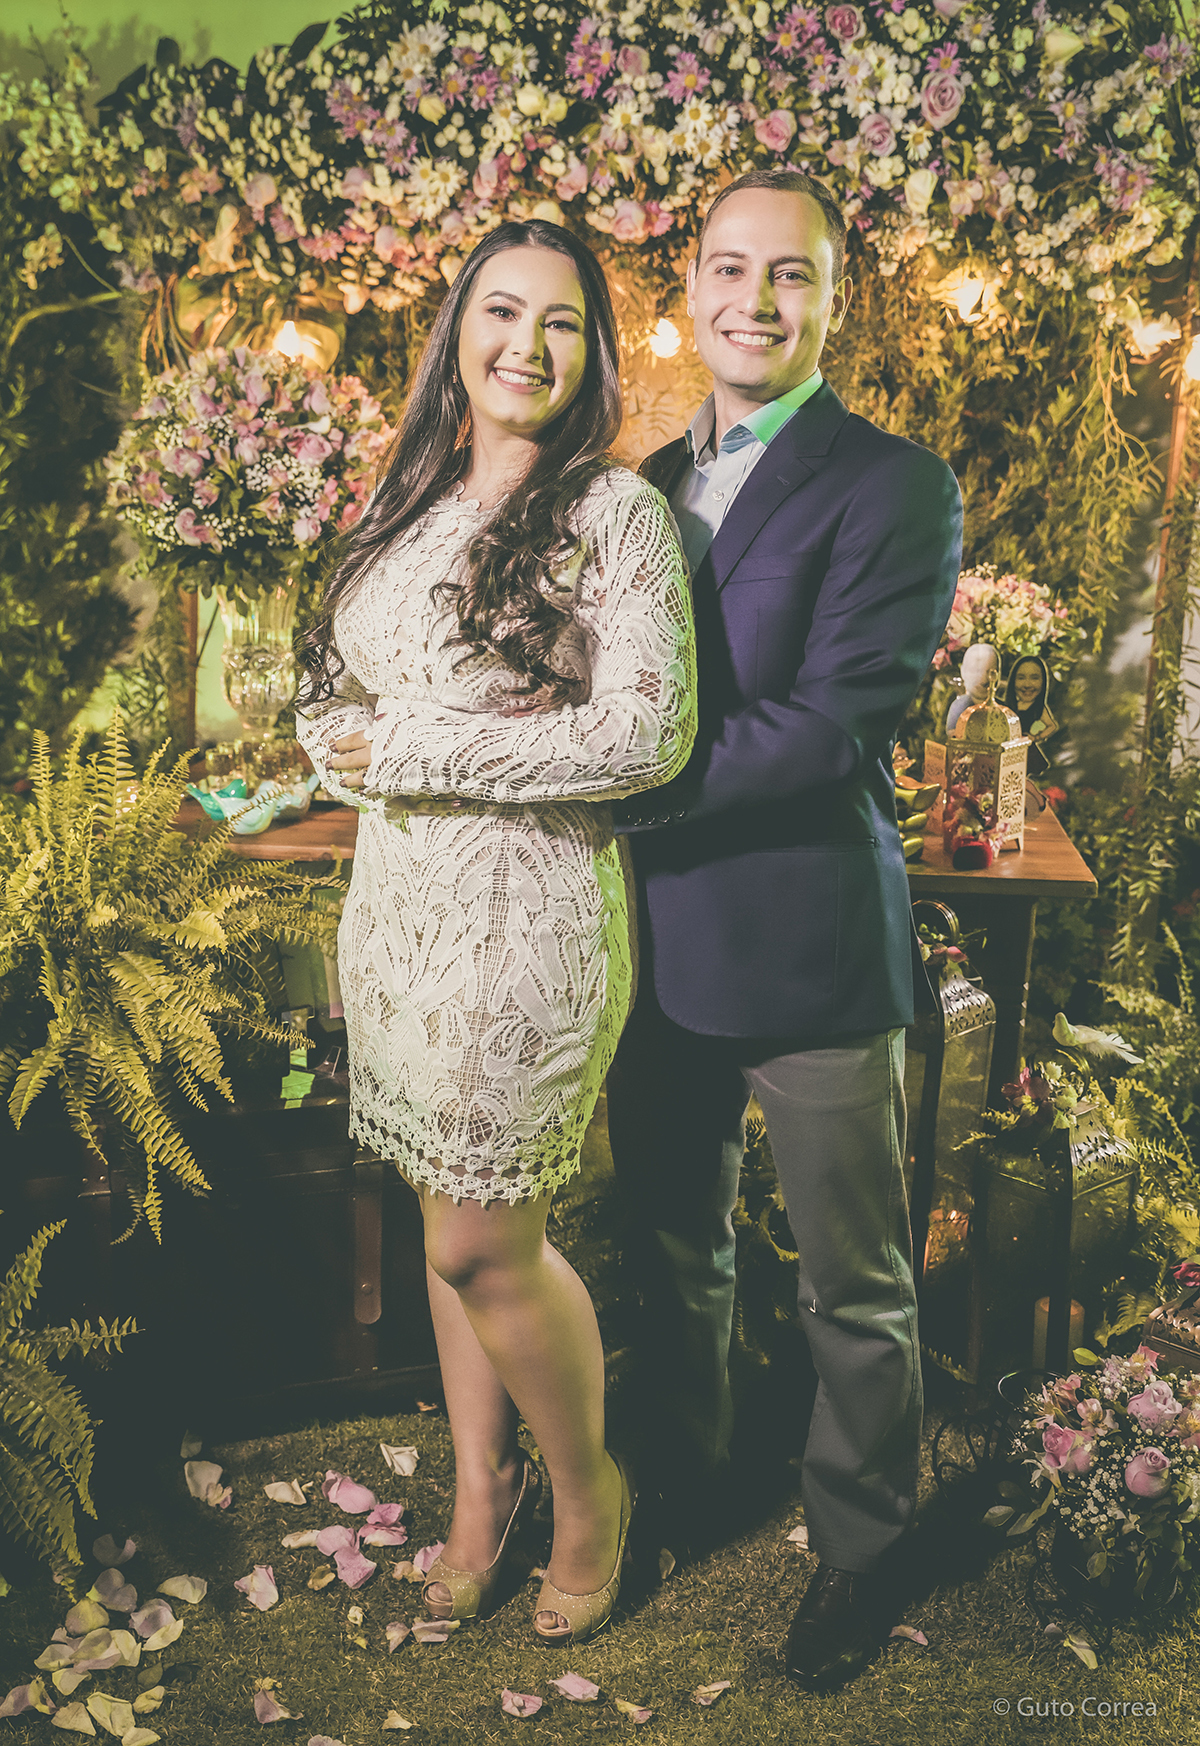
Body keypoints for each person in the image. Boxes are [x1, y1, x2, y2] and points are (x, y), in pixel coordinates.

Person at [294, 220, 697, 1645]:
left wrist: (414, 748)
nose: (527, 344)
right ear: (457, 331)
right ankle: (483, 1492)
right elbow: (338, 687)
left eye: (562, 321)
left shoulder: (614, 515)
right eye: (502, 311)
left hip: (528, 920)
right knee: (439, 1211)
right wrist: (346, 735)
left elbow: (645, 736)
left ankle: (590, 1494)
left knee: (482, 1241)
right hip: (397, 915)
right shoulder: (407, 495)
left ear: (594, 352)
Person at [606, 168, 962, 1691]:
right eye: (731, 269)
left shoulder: (894, 483)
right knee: (673, 1244)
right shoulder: (633, 484)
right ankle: (686, 1476)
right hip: (654, 941)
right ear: (688, 287)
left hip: (810, 943)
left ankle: (865, 1546)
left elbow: (833, 722)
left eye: (791, 274)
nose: (757, 300)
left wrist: (610, 786)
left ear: (832, 299)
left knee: (854, 1279)